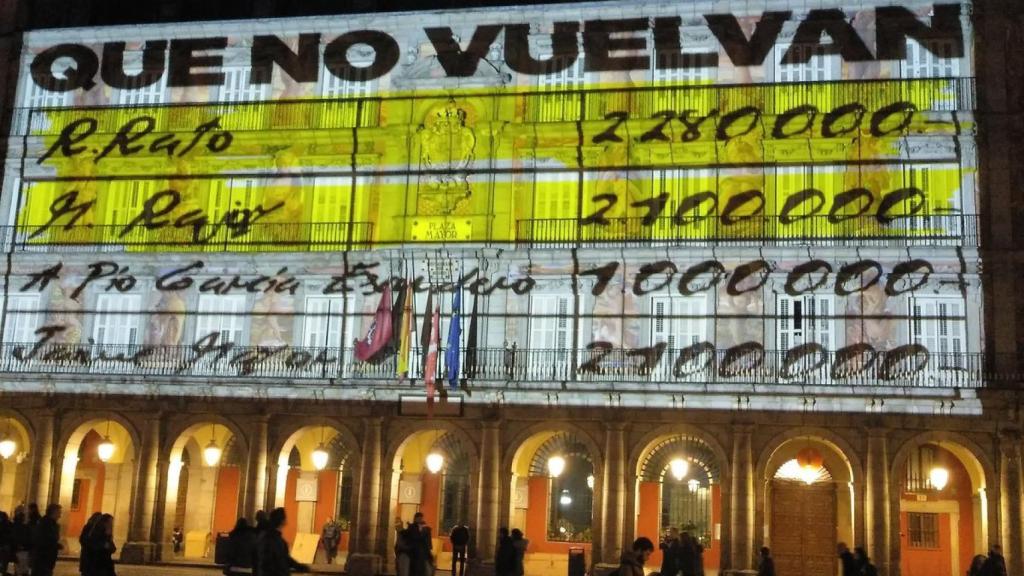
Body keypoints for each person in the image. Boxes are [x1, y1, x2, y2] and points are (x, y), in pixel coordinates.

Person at [256, 508, 309, 576]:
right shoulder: (277, 540)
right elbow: (282, 560)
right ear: (282, 521)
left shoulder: (265, 537)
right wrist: (300, 567)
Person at [30, 504, 62, 576]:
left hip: (48, 559)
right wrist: (55, 545)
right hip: (43, 559)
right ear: (54, 512)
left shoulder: (53, 524)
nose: (60, 516)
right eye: (59, 513)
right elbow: (44, 540)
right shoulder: (45, 524)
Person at [11, 507, 30, 576]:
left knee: (19, 569)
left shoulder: (14, 526)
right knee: (23, 570)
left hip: (19, 549)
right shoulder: (24, 527)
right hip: (22, 550)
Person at [0, 511, 12, 576]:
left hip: (3, 546)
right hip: (6, 546)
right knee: (4, 563)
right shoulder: (9, 524)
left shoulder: (2, 524)